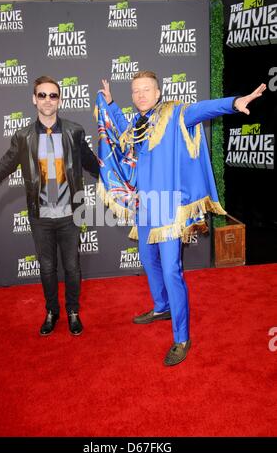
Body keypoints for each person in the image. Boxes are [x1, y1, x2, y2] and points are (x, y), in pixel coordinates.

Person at [96, 71, 266, 366]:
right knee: (149, 261)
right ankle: (161, 306)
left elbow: (202, 109)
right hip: (146, 207)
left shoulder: (175, 113)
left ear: (158, 92)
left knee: (172, 271)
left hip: (170, 210)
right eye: (136, 91)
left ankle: (181, 337)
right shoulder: (138, 122)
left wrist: (235, 102)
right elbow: (124, 133)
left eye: (146, 89)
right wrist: (111, 106)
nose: (140, 95)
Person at [0, 76, 99, 336]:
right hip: (40, 215)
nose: (47, 100)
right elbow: (6, 163)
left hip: (70, 213)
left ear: (60, 100)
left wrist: (114, 182)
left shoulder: (74, 131)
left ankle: (73, 312)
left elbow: (90, 162)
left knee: (73, 267)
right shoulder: (23, 137)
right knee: (46, 267)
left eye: (52, 95)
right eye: (42, 95)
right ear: (34, 99)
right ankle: (52, 311)